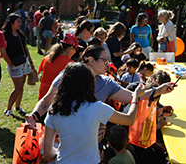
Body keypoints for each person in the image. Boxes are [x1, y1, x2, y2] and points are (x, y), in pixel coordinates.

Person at [25, 45, 175, 129]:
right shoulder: (68, 75)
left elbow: (131, 97)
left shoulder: (106, 82)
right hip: (63, 134)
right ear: (90, 60)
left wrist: (158, 90)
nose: (107, 64)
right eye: (104, 60)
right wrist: (33, 117)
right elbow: (47, 101)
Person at [41, 62, 144, 163]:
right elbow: (129, 119)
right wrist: (135, 97)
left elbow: (47, 153)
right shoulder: (97, 108)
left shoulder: (54, 109)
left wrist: (65, 153)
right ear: (90, 84)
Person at [2, 13, 35, 116]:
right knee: (18, 87)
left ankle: (18, 106)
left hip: (24, 62)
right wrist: (10, 63)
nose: (20, 23)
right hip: (14, 64)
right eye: (18, 22)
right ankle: (8, 109)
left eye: (20, 21)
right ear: (11, 23)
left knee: (21, 86)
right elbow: (3, 51)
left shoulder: (20, 34)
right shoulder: (5, 35)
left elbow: (25, 49)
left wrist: (30, 61)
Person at [37, 33, 79, 101]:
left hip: (43, 98)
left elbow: (40, 74)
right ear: (70, 48)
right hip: (57, 100)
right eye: (76, 48)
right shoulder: (71, 64)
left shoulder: (46, 58)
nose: (75, 52)